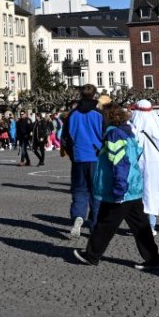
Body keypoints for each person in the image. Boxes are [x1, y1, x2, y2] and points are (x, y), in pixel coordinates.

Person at [72, 104, 159, 269]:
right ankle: (153, 259)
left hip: (121, 189)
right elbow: (136, 154)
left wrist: (119, 188)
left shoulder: (114, 134)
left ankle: (92, 255)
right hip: (133, 187)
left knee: (105, 224)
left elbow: (120, 162)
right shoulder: (128, 132)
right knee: (140, 226)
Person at [62, 84, 104, 238]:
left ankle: (78, 216)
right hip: (95, 158)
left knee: (79, 191)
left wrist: (73, 156)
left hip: (79, 157)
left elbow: (65, 138)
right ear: (94, 96)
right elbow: (105, 136)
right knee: (96, 193)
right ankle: (94, 226)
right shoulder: (99, 114)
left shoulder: (72, 115)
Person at [130, 100, 159, 234]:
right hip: (154, 164)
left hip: (136, 163)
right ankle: (151, 225)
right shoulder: (157, 128)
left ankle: (139, 225)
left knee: (137, 193)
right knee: (152, 192)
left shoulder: (132, 128)